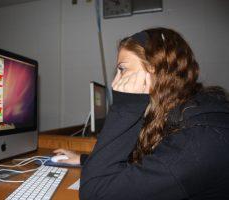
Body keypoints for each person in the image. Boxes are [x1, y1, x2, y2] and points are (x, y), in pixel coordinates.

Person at [53, 27, 229, 200]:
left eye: (122, 69)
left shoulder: (197, 141)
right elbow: (148, 165)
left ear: (155, 70)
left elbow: (95, 193)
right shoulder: (185, 114)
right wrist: (85, 160)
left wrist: (125, 107)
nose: (115, 83)